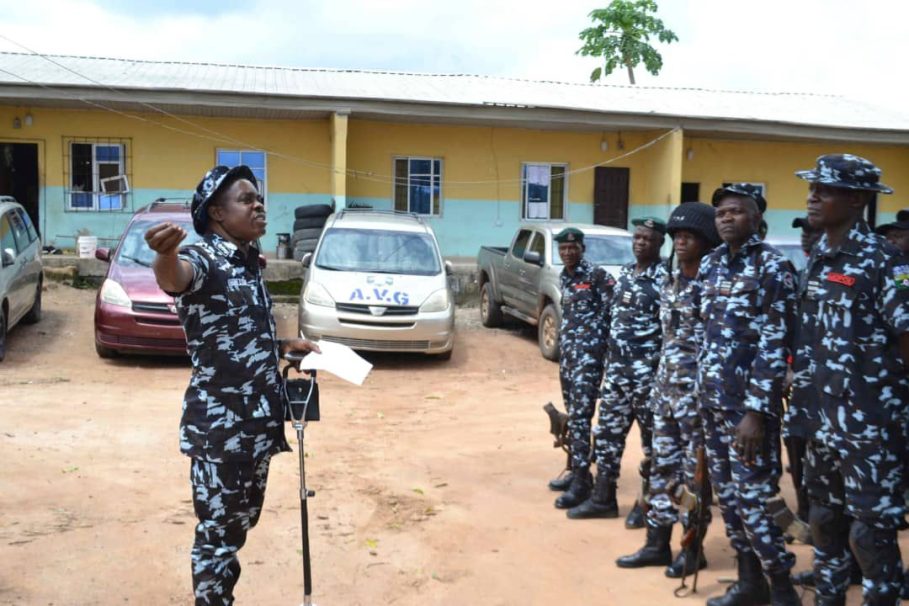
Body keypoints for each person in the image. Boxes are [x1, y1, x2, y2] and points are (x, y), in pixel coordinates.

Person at [145, 165, 319, 605]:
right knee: (217, 539)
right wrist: (164, 256)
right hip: (221, 432)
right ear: (217, 214)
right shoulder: (206, 259)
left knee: (239, 528)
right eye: (246, 199)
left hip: (257, 427)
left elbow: (237, 335)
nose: (259, 205)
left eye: (259, 198)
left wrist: (283, 346)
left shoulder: (248, 263)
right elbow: (176, 278)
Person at [790, 154, 909, 606]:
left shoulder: (885, 261)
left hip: (870, 425)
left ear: (857, 199)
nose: (813, 196)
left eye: (826, 189)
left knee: (871, 532)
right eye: (813, 186)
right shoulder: (819, 255)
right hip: (820, 416)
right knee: (823, 516)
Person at [698, 183, 800, 605]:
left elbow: (776, 344)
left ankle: (781, 588)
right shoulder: (710, 265)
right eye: (720, 211)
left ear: (756, 217)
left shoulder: (774, 268)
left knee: (755, 500)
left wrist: (758, 412)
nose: (725, 218)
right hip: (713, 402)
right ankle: (749, 583)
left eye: (736, 211)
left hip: (748, 413)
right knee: (729, 499)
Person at [615, 202, 719, 576]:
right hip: (665, 395)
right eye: (676, 237)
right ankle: (655, 544)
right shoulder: (670, 282)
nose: (680, 243)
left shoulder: (713, 287)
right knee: (661, 471)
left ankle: (692, 548)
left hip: (696, 400)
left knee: (694, 478)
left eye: (688, 236)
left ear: (706, 242)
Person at [566, 217, 667, 525]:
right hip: (618, 375)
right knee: (608, 436)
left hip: (647, 378)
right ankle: (603, 498)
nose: (640, 243)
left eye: (647, 239)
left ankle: (647, 506)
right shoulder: (624, 273)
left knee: (654, 445)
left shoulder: (665, 278)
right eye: (637, 237)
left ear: (660, 243)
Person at [550, 227, 616, 509]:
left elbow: (614, 313)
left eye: (572, 248)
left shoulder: (597, 276)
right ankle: (577, 469)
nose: (567, 253)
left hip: (589, 359)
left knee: (580, 417)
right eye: (563, 249)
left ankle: (582, 481)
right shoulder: (565, 277)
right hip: (569, 358)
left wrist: (601, 348)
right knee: (573, 416)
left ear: (582, 248)